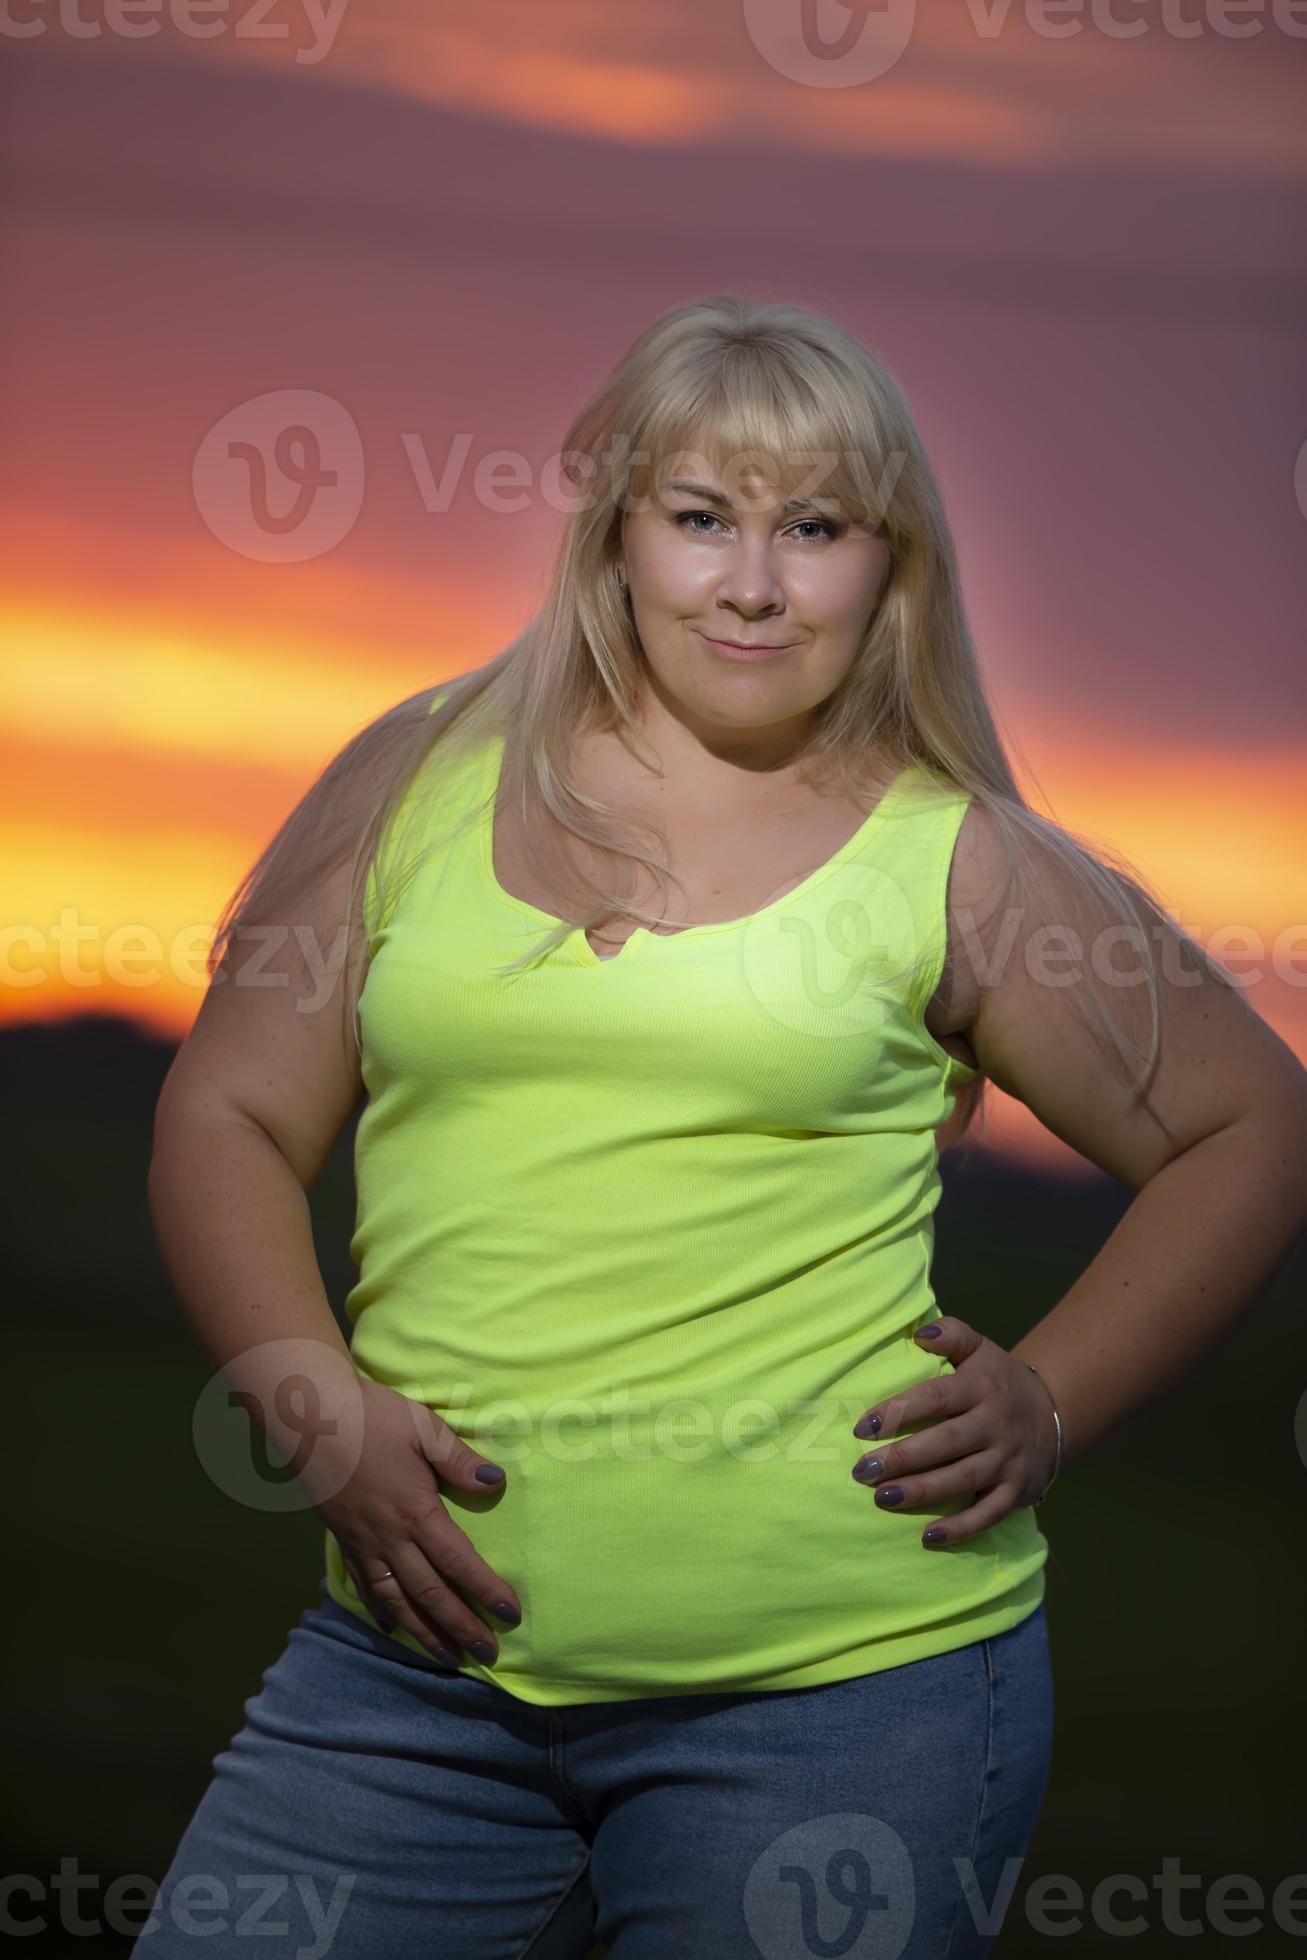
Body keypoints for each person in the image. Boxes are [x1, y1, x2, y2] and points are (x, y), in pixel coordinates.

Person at [137, 294, 1307, 1959]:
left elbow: (1250, 1124)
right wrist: (305, 1392)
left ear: (886, 564)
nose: (752, 583)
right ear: (616, 537)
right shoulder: (416, 777)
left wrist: (1048, 1401)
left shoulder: (957, 861)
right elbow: (229, 1112)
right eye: (700, 520)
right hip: (415, 1680)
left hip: (842, 1710)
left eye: (813, 529)